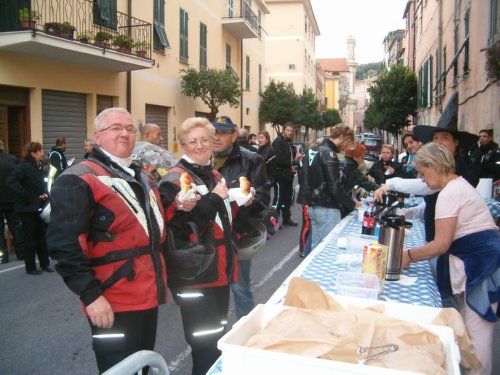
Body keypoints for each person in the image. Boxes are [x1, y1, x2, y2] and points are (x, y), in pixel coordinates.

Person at [46, 108, 169, 373]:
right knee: (120, 370)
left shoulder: (143, 176)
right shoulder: (77, 179)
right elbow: (64, 247)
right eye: (115, 128)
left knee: (144, 366)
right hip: (112, 302)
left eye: (129, 128)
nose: (124, 133)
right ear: (97, 136)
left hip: (148, 298)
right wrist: (91, 296)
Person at [401, 143, 499, 375]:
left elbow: (441, 244)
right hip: (481, 261)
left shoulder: (450, 193)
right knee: (471, 329)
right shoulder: (458, 186)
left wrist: (408, 256)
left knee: (477, 335)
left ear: (435, 166)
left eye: (423, 173)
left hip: (481, 266)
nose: (422, 179)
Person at [159, 117, 238, 375]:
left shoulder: (214, 174)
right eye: (193, 141)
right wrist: (216, 197)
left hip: (219, 272)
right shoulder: (174, 179)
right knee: (205, 349)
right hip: (196, 275)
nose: (200, 145)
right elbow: (183, 230)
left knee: (217, 343)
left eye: (205, 139)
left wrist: (241, 202)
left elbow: (221, 222)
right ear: (182, 145)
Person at [211, 115, 270, 320]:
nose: (216, 137)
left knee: (240, 290)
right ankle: (213, 346)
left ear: (234, 136)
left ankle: (246, 337)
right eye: (213, 132)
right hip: (207, 239)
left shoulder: (251, 159)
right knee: (211, 295)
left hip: (237, 236)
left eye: (223, 133)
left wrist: (250, 201)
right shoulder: (201, 158)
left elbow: (264, 197)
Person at [299, 124, 360, 250]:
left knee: (315, 249)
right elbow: (334, 187)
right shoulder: (329, 153)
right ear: (341, 137)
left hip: (312, 205)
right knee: (327, 249)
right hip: (327, 207)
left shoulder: (313, 150)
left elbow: (303, 177)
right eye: (346, 143)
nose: (345, 148)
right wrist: (352, 204)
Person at [7, 142, 52, 274]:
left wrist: (44, 194)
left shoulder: (38, 166)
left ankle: (45, 264)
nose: (42, 153)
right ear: (33, 153)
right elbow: (11, 181)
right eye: (40, 151)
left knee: (41, 237)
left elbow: (38, 184)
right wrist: (27, 196)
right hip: (27, 209)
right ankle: (31, 267)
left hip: (38, 207)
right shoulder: (23, 166)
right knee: (30, 239)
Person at [0, 140, 23, 263]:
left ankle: (3, 256)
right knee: (15, 226)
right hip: (12, 199)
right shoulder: (12, 159)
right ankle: (21, 253)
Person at [272, 122, 298, 226]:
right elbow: (278, 159)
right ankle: (272, 221)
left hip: (288, 175)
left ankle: (286, 219)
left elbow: (291, 158)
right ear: (283, 130)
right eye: (288, 130)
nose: (290, 132)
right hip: (279, 175)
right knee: (278, 199)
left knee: (287, 199)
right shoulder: (278, 142)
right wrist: (289, 166)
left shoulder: (288, 142)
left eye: (291, 131)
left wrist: (294, 164)